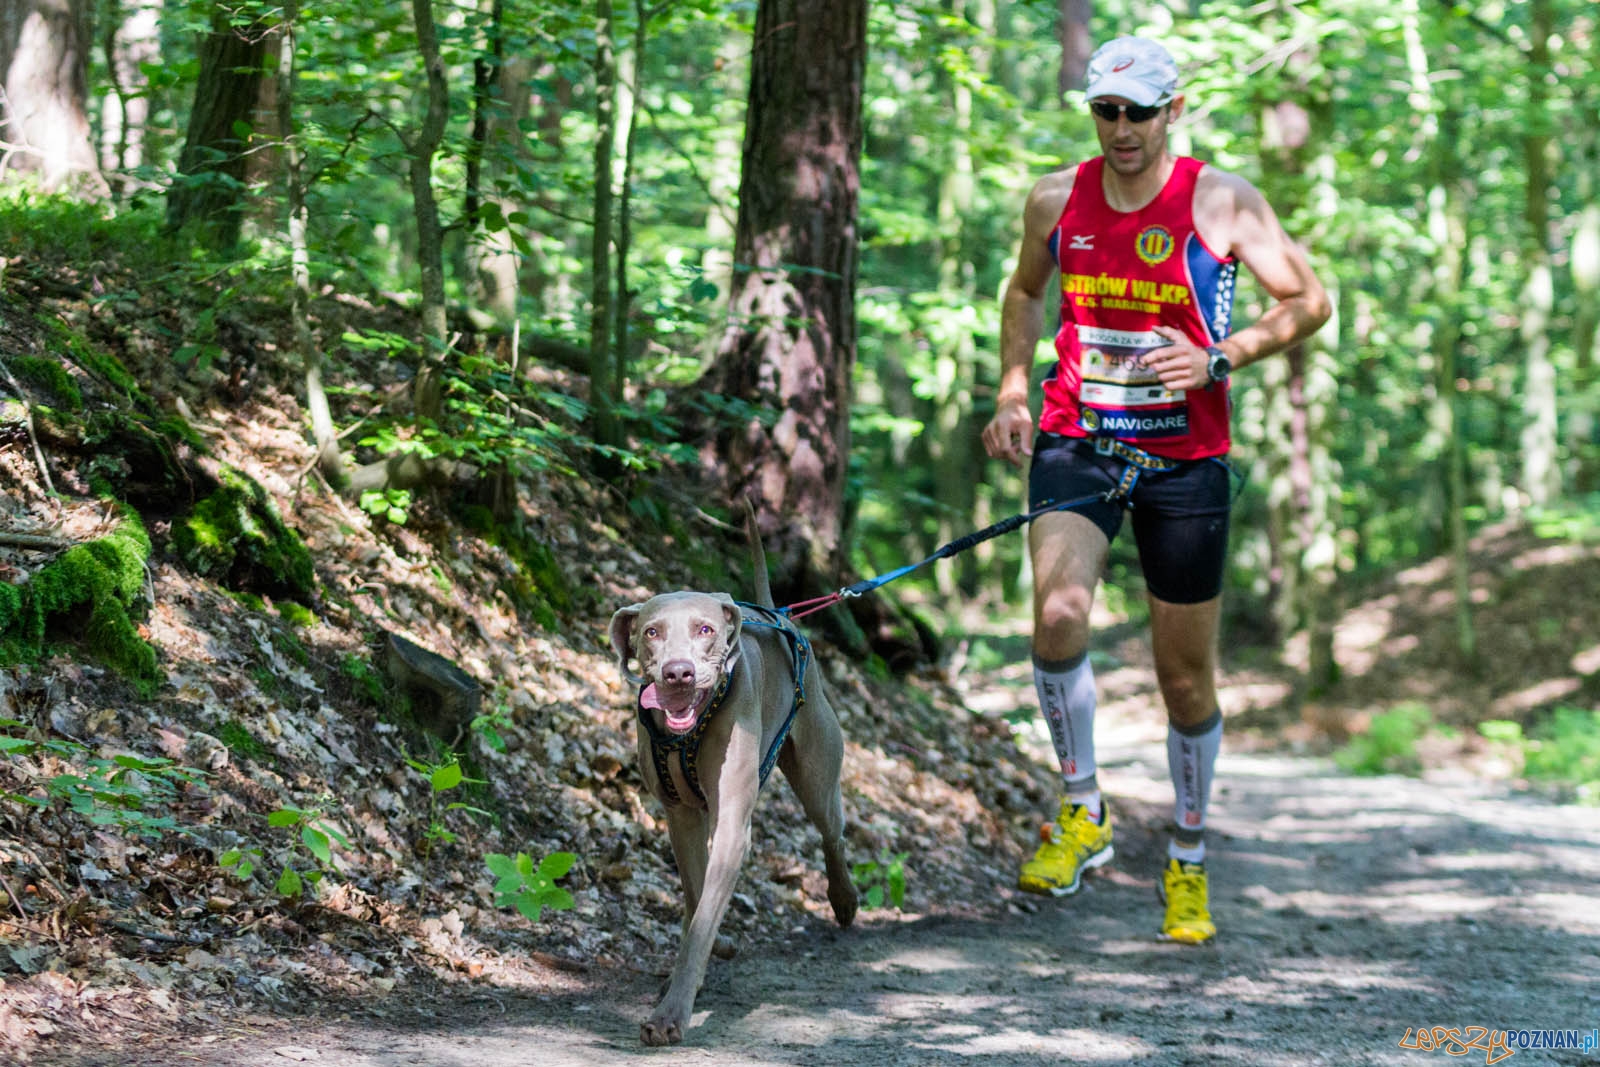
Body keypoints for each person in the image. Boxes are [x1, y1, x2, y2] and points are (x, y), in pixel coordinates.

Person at [981, 35, 1331, 943]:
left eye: (1140, 111)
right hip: (1078, 440)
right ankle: (1083, 811)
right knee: (1058, 613)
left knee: (1184, 680)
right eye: (1107, 110)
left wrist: (1222, 354)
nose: (1122, 128)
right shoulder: (1056, 197)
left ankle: (1187, 854)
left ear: (1174, 110)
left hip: (1187, 460)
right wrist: (1013, 390)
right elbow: (1025, 294)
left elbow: (1309, 300)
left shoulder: (1222, 200)